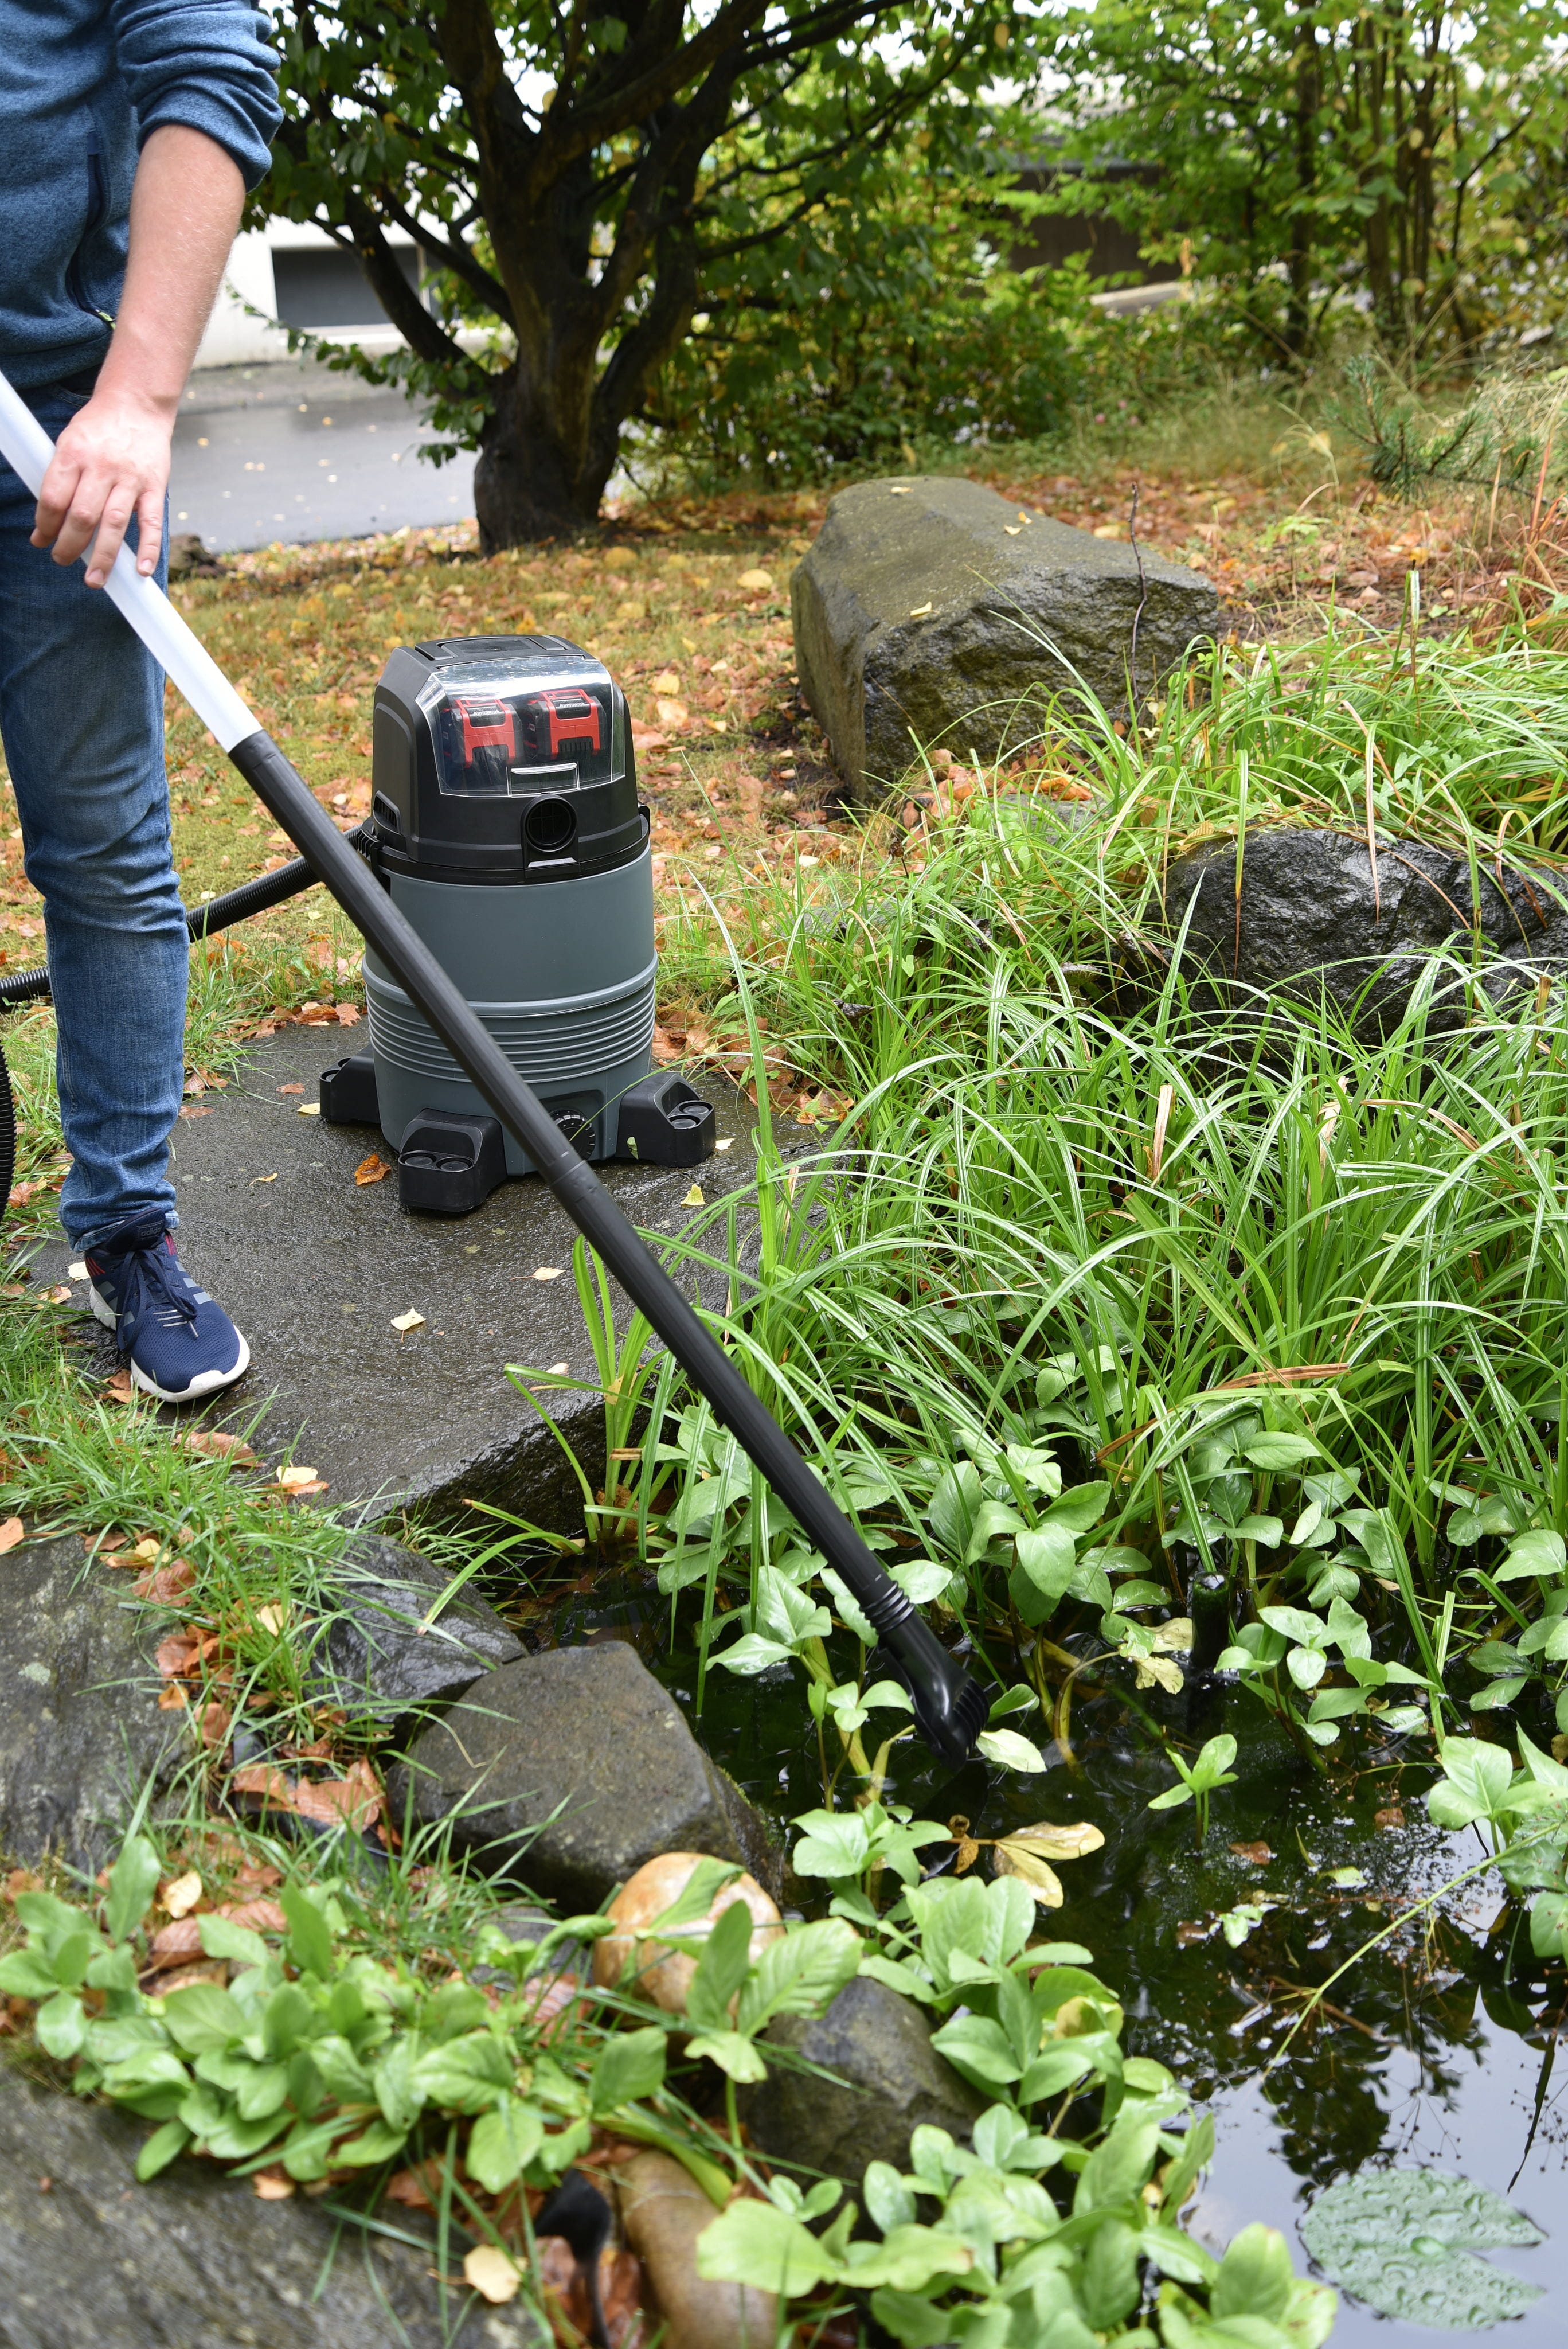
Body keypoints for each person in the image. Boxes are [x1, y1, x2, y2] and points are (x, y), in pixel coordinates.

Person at [0, 1, 281, 1400]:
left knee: (106, 851)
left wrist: (139, 397)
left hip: (62, 428)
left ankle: (127, 1232)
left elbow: (212, 60)